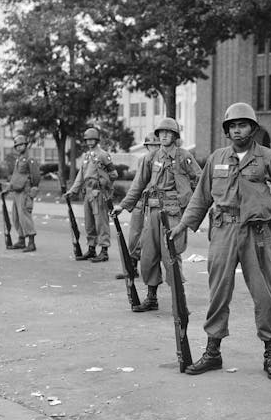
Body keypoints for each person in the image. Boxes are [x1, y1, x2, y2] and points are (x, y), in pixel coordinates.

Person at [169, 103, 271, 379]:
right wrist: (183, 224)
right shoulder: (217, 158)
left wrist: (266, 204)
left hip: (257, 233)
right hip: (223, 231)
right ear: (227, 130)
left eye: (243, 125)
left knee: (264, 294)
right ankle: (213, 352)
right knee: (218, 292)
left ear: (253, 128)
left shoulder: (266, 157)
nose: (237, 130)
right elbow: (202, 197)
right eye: (233, 126)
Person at [112, 118, 201, 312]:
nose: (164, 136)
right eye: (161, 133)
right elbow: (138, 185)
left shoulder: (183, 156)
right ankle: (151, 298)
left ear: (175, 136)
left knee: (171, 256)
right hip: (152, 212)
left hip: (173, 215)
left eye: (169, 133)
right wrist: (123, 205)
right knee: (148, 256)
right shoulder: (150, 158)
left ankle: (180, 301)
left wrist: (189, 203)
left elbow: (201, 181)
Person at [66, 128, 119, 262]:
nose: (89, 142)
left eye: (91, 139)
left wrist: (105, 184)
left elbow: (114, 174)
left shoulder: (103, 155)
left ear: (96, 140)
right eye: (87, 140)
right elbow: (81, 175)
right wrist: (73, 190)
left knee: (101, 222)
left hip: (98, 193)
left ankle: (104, 250)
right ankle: (91, 249)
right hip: (87, 192)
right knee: (89, 223)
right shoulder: (86, 156)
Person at [115, 133, 161, 280]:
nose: (153, 148)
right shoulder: (143, 159)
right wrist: (125, 204)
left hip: (155, 203)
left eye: (156, 145)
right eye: (151, 145)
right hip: (140, 201)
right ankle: (132, 267)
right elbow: (137, 184)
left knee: (150, 238)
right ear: (147, 146)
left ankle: (154, 269)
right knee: (134, 235)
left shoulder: (164, 160)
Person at [5, 135, 41, 252]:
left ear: (26, 145)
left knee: (25, 217)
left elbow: (36, 176)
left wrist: (32, 190)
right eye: (17, 146)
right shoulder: (19, 159)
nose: (20, 147)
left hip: (25, 192)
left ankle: (31, 242)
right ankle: (21, 240)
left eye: (21, 145)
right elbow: (16, 176)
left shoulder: (30, 159)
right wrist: (9, 187)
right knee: (16, 217)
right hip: (16, 192)